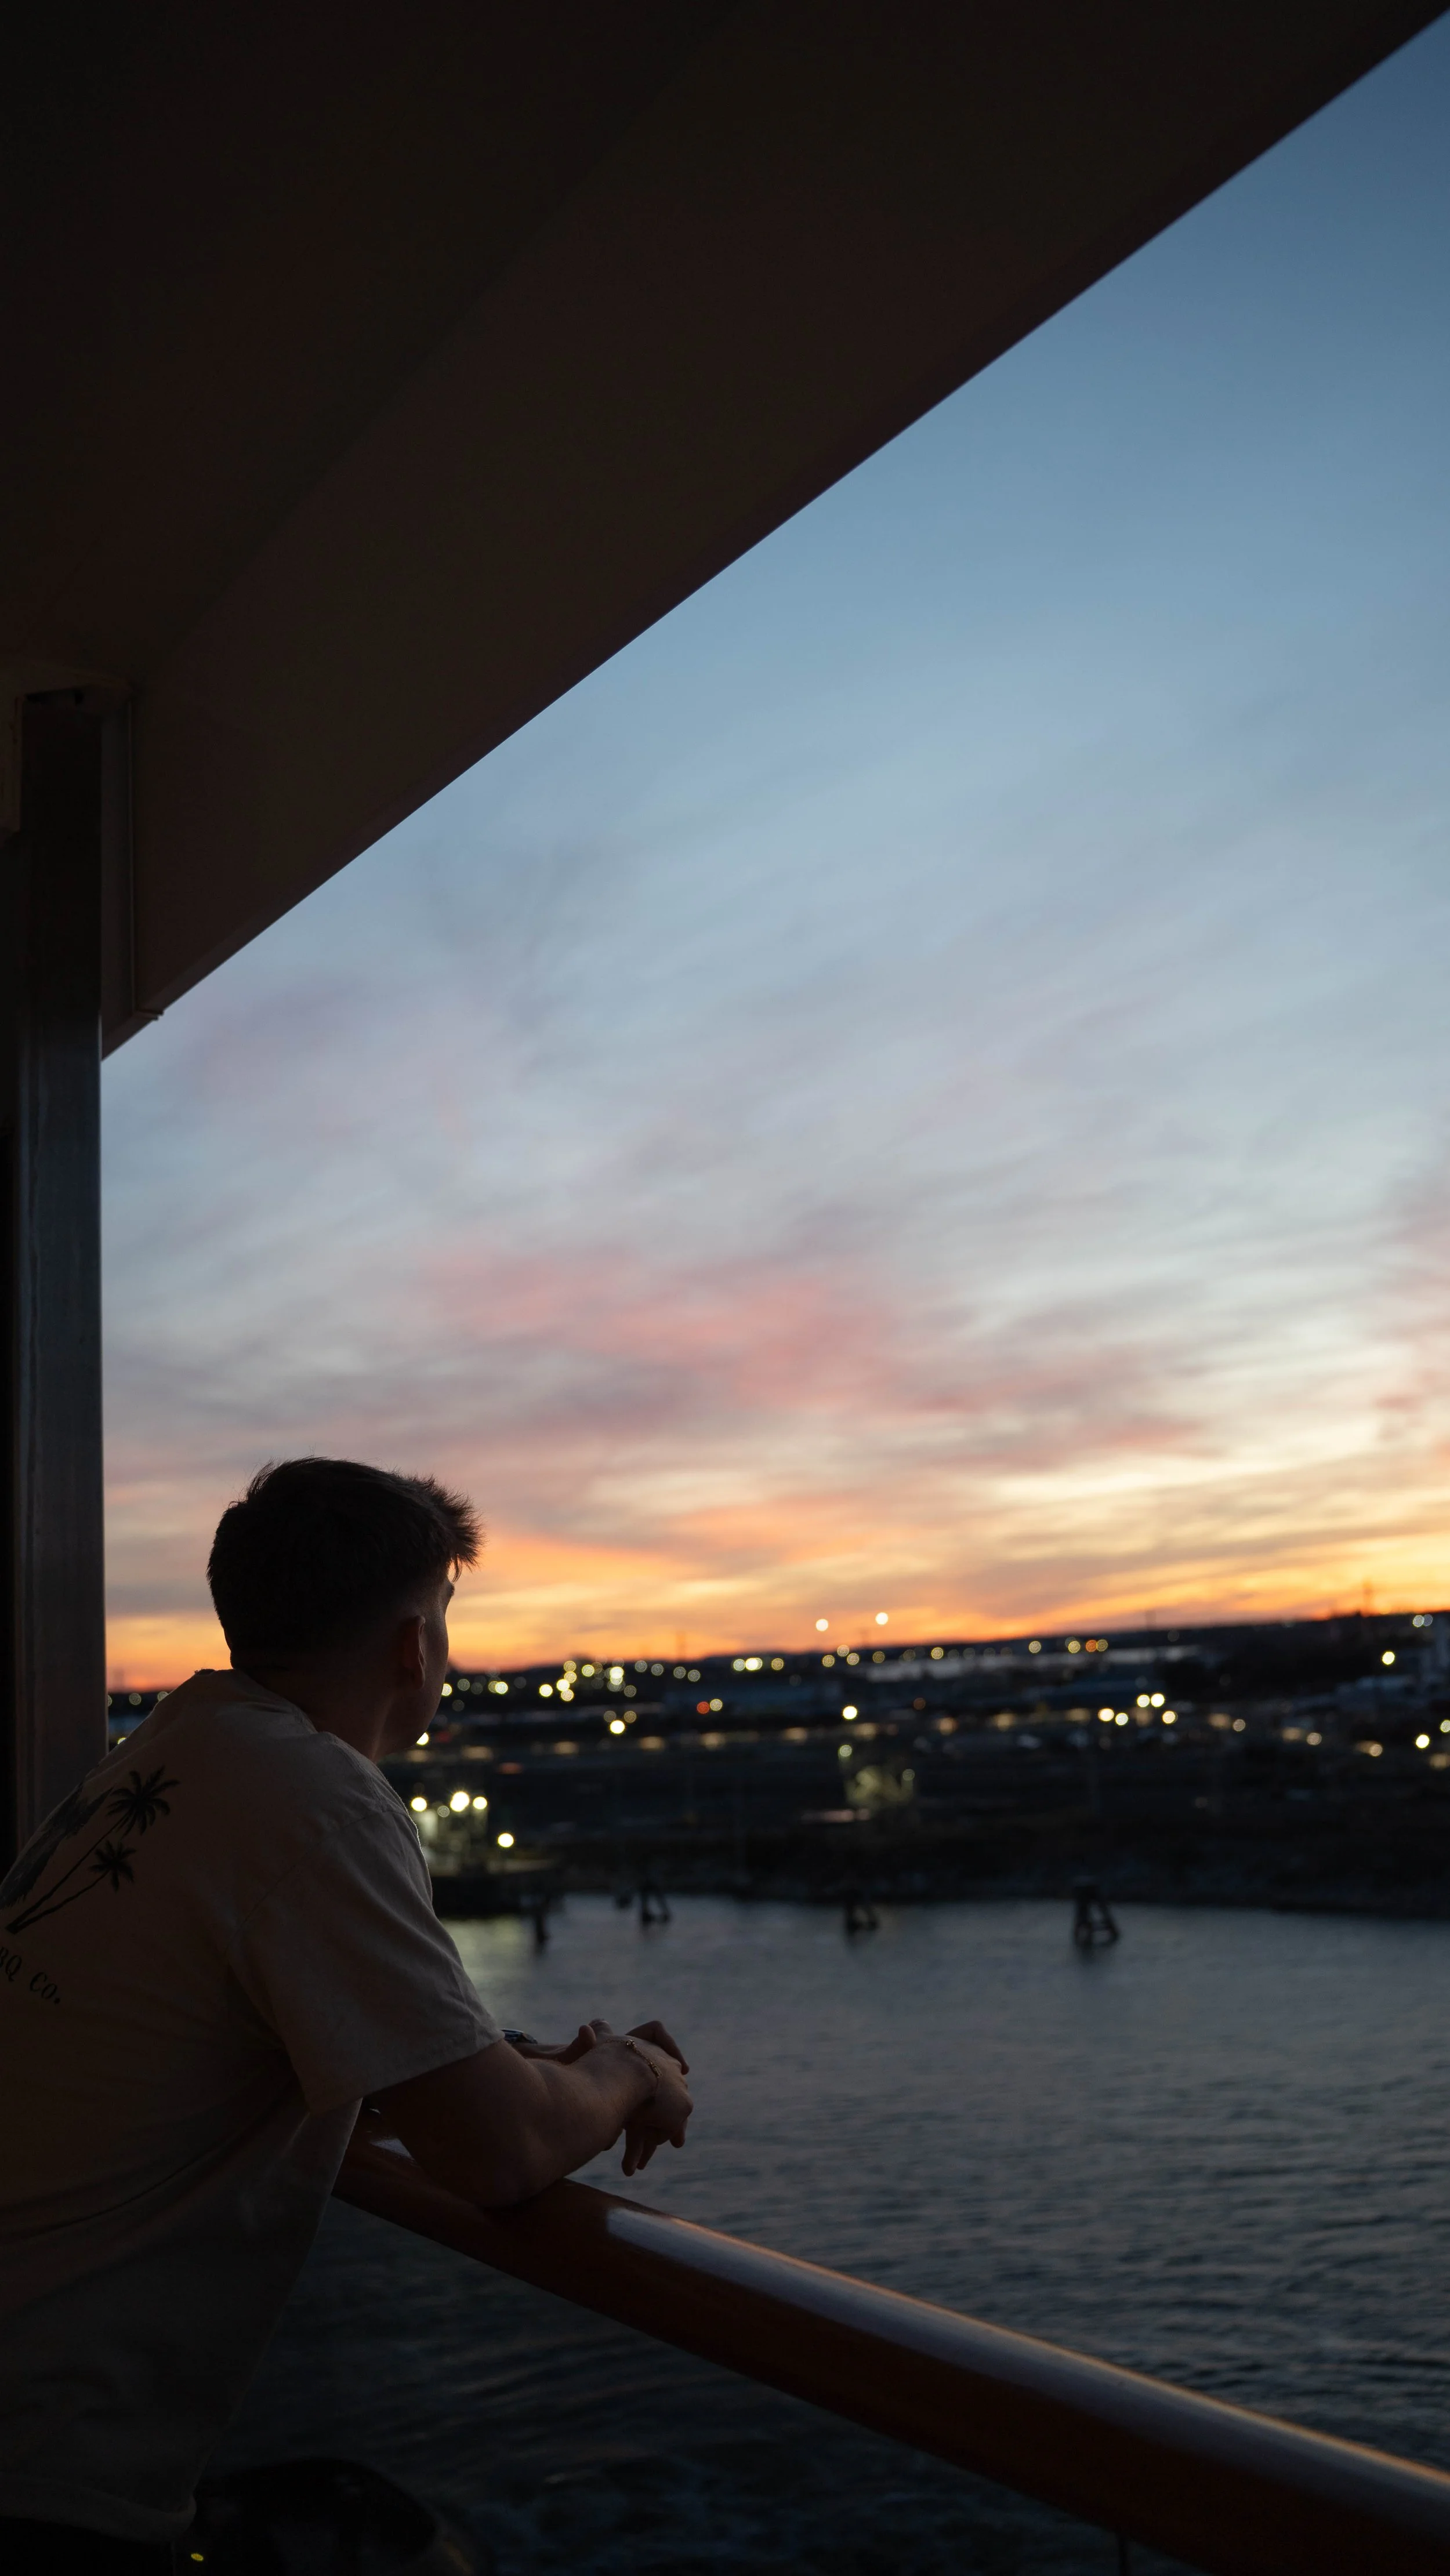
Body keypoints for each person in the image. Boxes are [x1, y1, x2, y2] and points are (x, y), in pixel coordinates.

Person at [0, 1458, 692, 2572]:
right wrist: (624, 2072)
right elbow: (498, 2151)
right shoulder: (316, 1799)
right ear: (416, 1643)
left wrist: (495, 2062)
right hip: (44, 2478)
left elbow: (252, 2029)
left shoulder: (173, 1752)